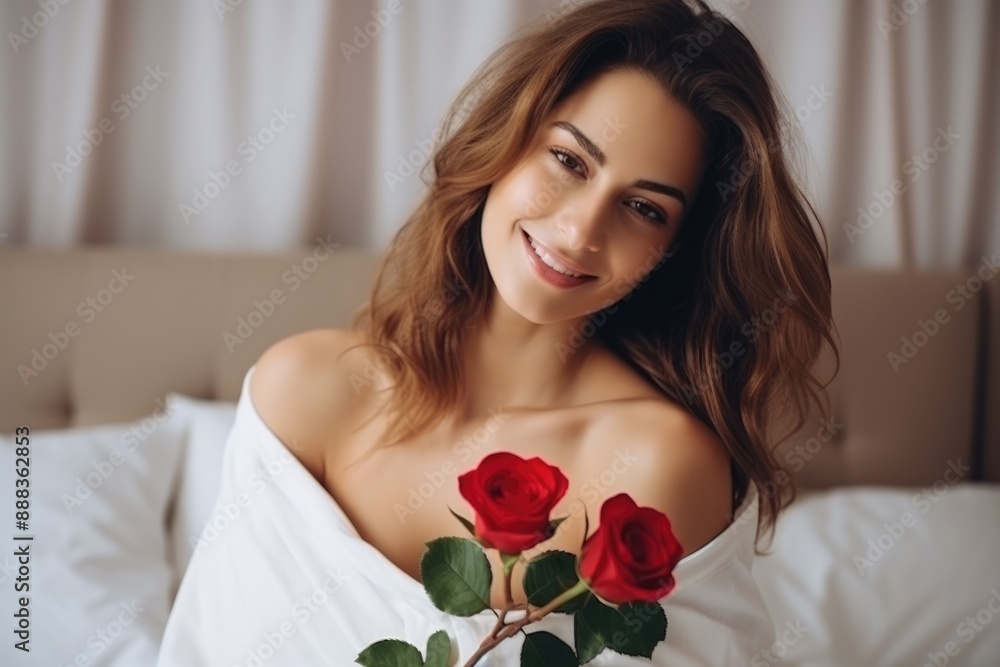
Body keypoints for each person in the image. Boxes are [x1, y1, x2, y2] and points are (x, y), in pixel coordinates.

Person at [159, 1, 838, 664]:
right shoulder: (303, 392)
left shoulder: (656, 463)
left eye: (642, 208)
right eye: (569, 161)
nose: (580, 232)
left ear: (676, 249)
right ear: (506, 141)